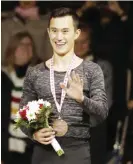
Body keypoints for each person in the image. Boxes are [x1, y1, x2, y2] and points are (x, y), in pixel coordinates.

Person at [19, 7, 108, 164]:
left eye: (65, 31)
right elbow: (23, 115)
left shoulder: (94, 70)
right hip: (43, 155)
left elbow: (101, 114)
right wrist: (34, 133)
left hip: (79, 154)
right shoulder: (35, 72)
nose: (59, 37)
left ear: (76, 34)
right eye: (54, 30)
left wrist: (82, 100)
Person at [74, 21, 113, 164]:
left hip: (92, 132)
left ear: (90, 42)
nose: (79, 46)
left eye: (84, 42)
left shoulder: (102, 67)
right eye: (76, 42)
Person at [1, 31, 40, 164]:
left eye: (29, 45)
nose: (26, 48)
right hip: (6, 148)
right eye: (21, 45)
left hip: (32, 149)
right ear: (12, 50)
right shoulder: (3, 77)